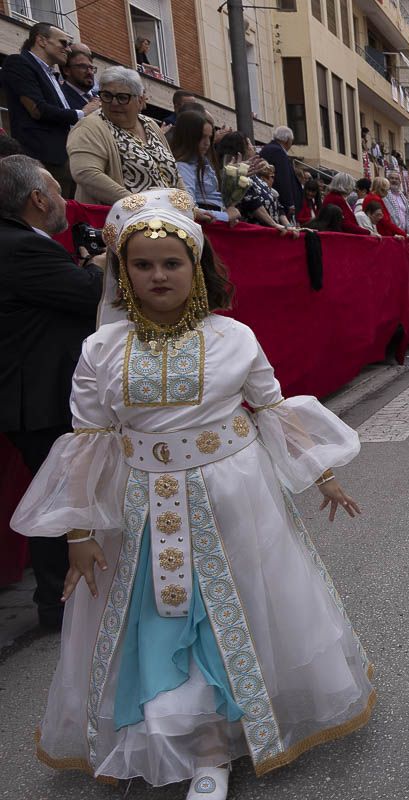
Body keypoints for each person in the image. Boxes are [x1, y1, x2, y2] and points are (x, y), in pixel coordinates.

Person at [10, 188, 373, 800]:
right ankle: (180, 736)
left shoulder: (234, 337)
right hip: (141, 509)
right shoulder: (101, 350)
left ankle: (217, 744)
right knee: (159, 617)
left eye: (172, 263)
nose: (158, 275)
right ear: (122, 272)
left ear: (197, 267)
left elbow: (273, 410)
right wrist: (79, 532)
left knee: (238, 608)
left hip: (234, 498)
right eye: (142, 264)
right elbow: (88, 443)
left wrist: (323, 476)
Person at [0, 155, 104, 631]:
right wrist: (100, 265)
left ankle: (63, 598)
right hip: (39, 398)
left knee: (59, 490)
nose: (65, 200)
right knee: (59, 494)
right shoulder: (21, 247)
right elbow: (88, 295)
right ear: (38, 199)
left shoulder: (21, 243)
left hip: (35, 395)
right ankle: (59, 603)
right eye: (58, 191)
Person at [1, 23, 101, 197]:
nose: (68, 49)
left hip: (64, 158)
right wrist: (82, 113)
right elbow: (37, 109)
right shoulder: (19, 63)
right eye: (63, 43)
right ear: (41, 40)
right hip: (44, 159)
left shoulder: (51, 75)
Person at [67, 66, 180, 205]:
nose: (114, 103)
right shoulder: (89, 126)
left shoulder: (151, 125)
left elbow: (173, 171)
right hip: (120, 215)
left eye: (122, 97)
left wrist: (188, 206)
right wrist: (140, 204)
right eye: (107, 96)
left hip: (166, 212)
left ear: (140, 100)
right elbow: (86, 173)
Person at [171, 110, 240, 225]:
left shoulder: (203, 162)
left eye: (209, 137)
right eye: (202, 137)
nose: (207, 143)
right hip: (206, 225)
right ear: (188, 137)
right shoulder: (183, 167)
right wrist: (226, 216)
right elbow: (189, 208)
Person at [258, 126, 303, 221]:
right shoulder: (278, 152)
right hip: (280, 204)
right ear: (287, 140)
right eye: (291, 141)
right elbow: (284, 179)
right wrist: (289, 203)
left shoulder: (269, 148)